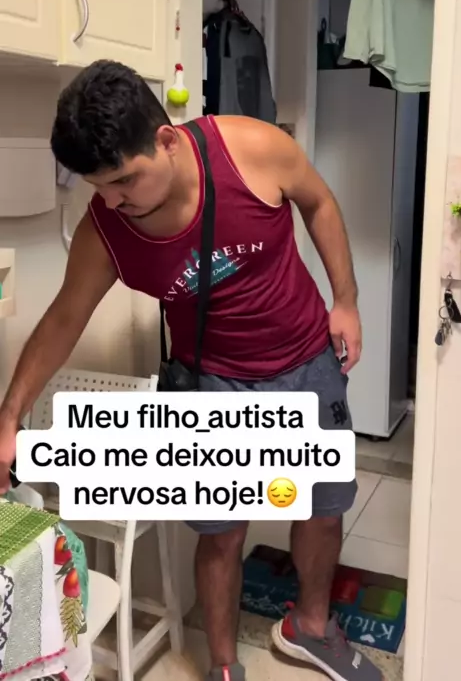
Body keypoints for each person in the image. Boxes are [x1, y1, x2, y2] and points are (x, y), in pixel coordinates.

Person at [0, 61, 381, 681]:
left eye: (125, 180)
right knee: (223, 532)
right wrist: (10, 415)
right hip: (214, 381)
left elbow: (319, 202)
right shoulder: (107, 230)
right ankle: (224, 666)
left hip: (306, 360)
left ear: (167, 140)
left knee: (321, 506)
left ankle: (310, 628)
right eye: (99, 188)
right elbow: (64, 318)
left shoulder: (252, 150)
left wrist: (346, 300)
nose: (113, 201)